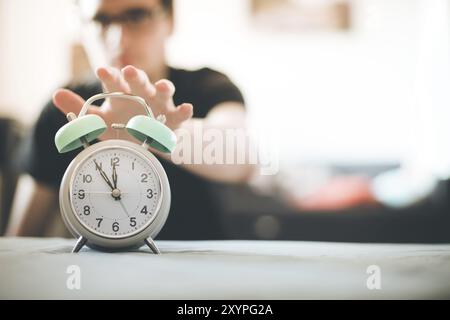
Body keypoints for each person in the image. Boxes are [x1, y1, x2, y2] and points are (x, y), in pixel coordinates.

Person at [6, 0, 254, 239]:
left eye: (137, 16)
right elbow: (22, 237)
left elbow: (240, 155)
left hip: (200, 268)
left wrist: (158, 132)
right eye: (100, 20)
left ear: (169, 19)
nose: (117, 38)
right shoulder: (64, 109)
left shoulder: (208, 86)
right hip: (95, 273)